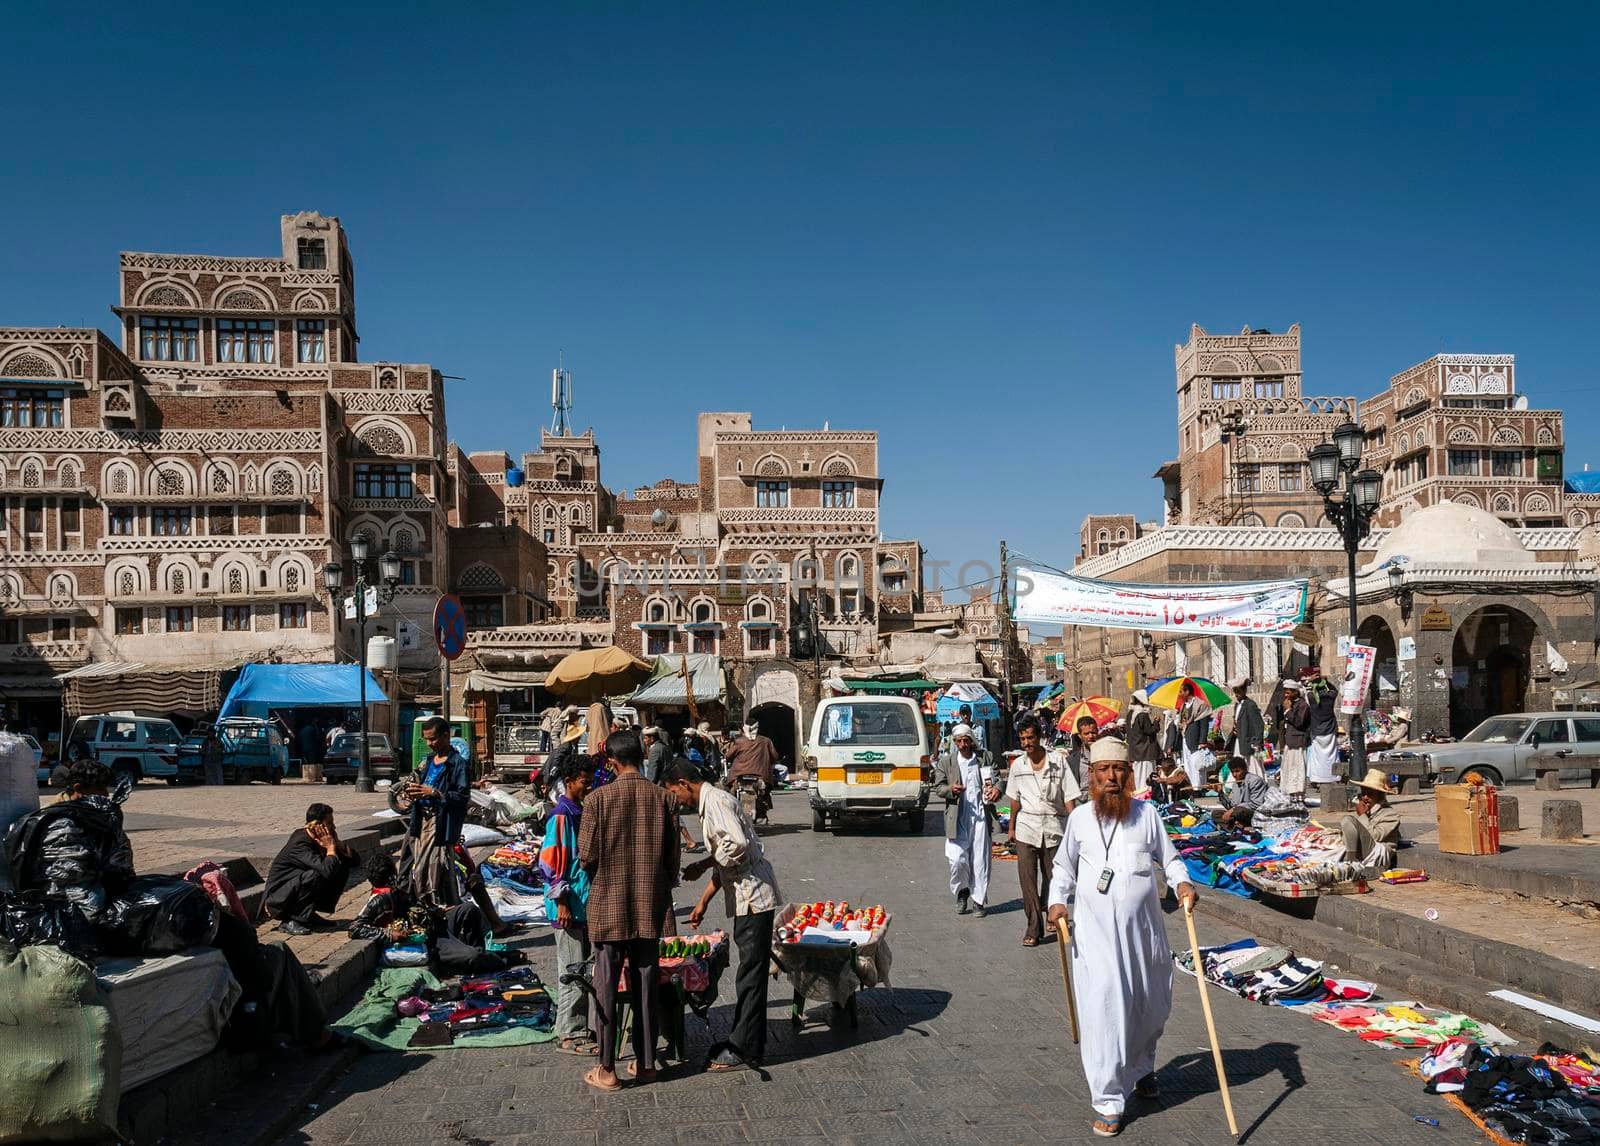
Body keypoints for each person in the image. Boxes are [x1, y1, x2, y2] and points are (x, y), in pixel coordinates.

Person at [1046, 738, 1198, 1138]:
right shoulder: (1079, 819)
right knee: (1105, 1008)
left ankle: (1142, 1067)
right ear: (1092, 777)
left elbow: (1172, 859)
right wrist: (1056, 903)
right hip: (1096, 938)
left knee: (1149, 1006)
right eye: (1103, 771)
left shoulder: (1147, 815)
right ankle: (1109, 1099)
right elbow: (1063, 868)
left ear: (1129, 775)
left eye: (1119, 770)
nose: (1111, 778)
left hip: (1143, 935)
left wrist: (1182, 885)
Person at [577, 730, 679, 1093]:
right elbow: (673, 860)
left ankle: (606, 1068)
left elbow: (586, 855)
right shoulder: (665, 798)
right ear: (643, 755)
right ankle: (648, 1064)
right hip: (650, 906)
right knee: (647, 987)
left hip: (608, 906)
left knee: (606, 988)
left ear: (612, 762)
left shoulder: (596, 800)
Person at [667, 759, 780, 1071]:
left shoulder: (715, 801)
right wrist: (704, 894)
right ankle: (746, 1041)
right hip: (747, 894)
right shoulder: (712, 802)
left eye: (675, 793)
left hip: (753, 895)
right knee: (750, 971)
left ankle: (745, 1047)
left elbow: (738, 846)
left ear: (682, 783)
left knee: (751, 975)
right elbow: (726, 853)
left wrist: (705, 863)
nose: (677, 800)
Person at [539, 751, 599, 1057]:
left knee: (580, 969)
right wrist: (561, 900)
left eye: (591, 781)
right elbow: (552, 862)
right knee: (572, 970)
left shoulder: (577, 809)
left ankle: (575, 1026)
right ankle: (569, 1033)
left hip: (581, 903)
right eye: (584, 782)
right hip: (568, 905)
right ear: (570, 781)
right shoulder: (562, 815)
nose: (588, 787)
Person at [1005, 716, 1078, 947]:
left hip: (1054, 826)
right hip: (1027, 828)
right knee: (1027, 880)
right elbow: (1014, 799)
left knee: (1053, 877)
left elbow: (1069, 797)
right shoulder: (1018, 766)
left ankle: (1050, 910)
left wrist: (1076, 827)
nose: (1027, 743)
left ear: (1039, 737)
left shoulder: (1058, 762)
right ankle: (1033, 928)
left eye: (1031, 737)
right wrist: (1012, 826)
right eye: (1023, 739)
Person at [933, 723, 998, 917]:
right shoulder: (947, 762)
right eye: (959, 741)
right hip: (958, 818)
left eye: (966, 740)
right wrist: (950, 790)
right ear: (955, 743)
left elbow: (997, 779)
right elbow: (938, 787)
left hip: (980, 818)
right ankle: (962, 891)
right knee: (957, 860)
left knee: (980, 861)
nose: (963, 745)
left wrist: (996, 789)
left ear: (971, 740)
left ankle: (978, 900)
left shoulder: (984, 758)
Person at [262, 803, 357, 935]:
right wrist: (330, 848)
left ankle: (308, 914)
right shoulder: (300, 843)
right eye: (329, 823)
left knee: (339, 866)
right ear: (317, 826)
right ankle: (290, 920)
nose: (334, 827)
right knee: (317, 873)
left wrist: (338, 844)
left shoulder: (321, 839)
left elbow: (355, 862)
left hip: (294, 888)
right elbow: (326, 870)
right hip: (278, 899)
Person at [410, 716, 471, 849]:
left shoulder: (458, 764)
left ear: (445, 736)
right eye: (426, 739)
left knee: (434, 865)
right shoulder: (429, 760)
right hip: (421, 819)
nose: (429, 744)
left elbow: (463, 797)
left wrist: (435, 793)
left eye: (432, 739)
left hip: (439, 822)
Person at [1342, 768, 1403, 871]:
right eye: (1363, 794)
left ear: (1379, 796)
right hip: (1364, 849)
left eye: (1370, 794)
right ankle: (1348, 862)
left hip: (1379, 851)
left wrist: (1362, 815)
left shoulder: (1390, 815)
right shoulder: (1368, 812)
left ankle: (1351, 863)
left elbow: (1374, 836)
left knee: (1348, 820)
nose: (1365, 797)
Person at [724, 725, 778, 824]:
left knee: (729, 792)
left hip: (739, 774)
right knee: (765, 792)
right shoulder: (766, 741)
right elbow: (774, 756)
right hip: (761, 775)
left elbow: (728, 756)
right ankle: (761, 814)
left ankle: (731, 814)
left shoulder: (739, 741)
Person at [1304, 667, 1341, 786]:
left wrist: (1309, 681)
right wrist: (1327, 681)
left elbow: (1303, 690)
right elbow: (1335, 690)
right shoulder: (1330, 696)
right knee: (1331, 755)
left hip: (1316, 730)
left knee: (1317, 757)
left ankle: (1318, 778)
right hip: (1330, 729)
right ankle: (1333, 776)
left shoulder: (1311, 697)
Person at [1277, 678, 1311, 800]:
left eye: (1288, 692)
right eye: (1285, 691)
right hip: (1289, 742)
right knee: (1288, 769)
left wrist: (1287, 710)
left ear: (1295, 692)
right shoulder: (1290, 704)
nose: (1286, 694)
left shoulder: (1303, 705)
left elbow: (1299, 722)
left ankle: (1298, 795)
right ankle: (1289, 794)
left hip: (1298, 742)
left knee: (1297, 769)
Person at [1228, 675, 1266, 780]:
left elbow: (1258, 725)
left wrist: (1257, 742)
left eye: (1238, 691)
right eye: (1235, 692)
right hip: (1240, 741)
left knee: (1253, 767)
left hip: (1250, 743)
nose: (1236, 694)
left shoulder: (1250, 705)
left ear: (1244, 690)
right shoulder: (1237, 706)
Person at [1177, 681, 1213, 792]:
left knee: (1197, 764)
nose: (1179, 694)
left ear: (1187, 692)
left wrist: (1202, 741)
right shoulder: (1183, 706)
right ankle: (1193, 786)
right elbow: (1183, 721)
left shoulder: (1200, 705)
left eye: (1181, 692)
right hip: (1185, 738)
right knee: (1188, 764)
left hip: (1196, 739)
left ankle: (1200, 787)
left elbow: (1203, 725)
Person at [1125, 691, 1162, 794]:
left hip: (1135, 750)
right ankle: (1147, 794)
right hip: (1145, 750)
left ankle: (1140, 793)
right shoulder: (1142, 714)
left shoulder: (1130, 714)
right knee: (1147, 774)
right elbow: (1150, 731)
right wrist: (1156, 722)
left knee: (1138, 775)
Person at [1066, 715, 1099, 786]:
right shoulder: (1071, 760)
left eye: (1093, 733)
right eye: (1086, 734)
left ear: (1097, 732)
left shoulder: (1106, 756)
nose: (1091, 736)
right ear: (1080, 736)